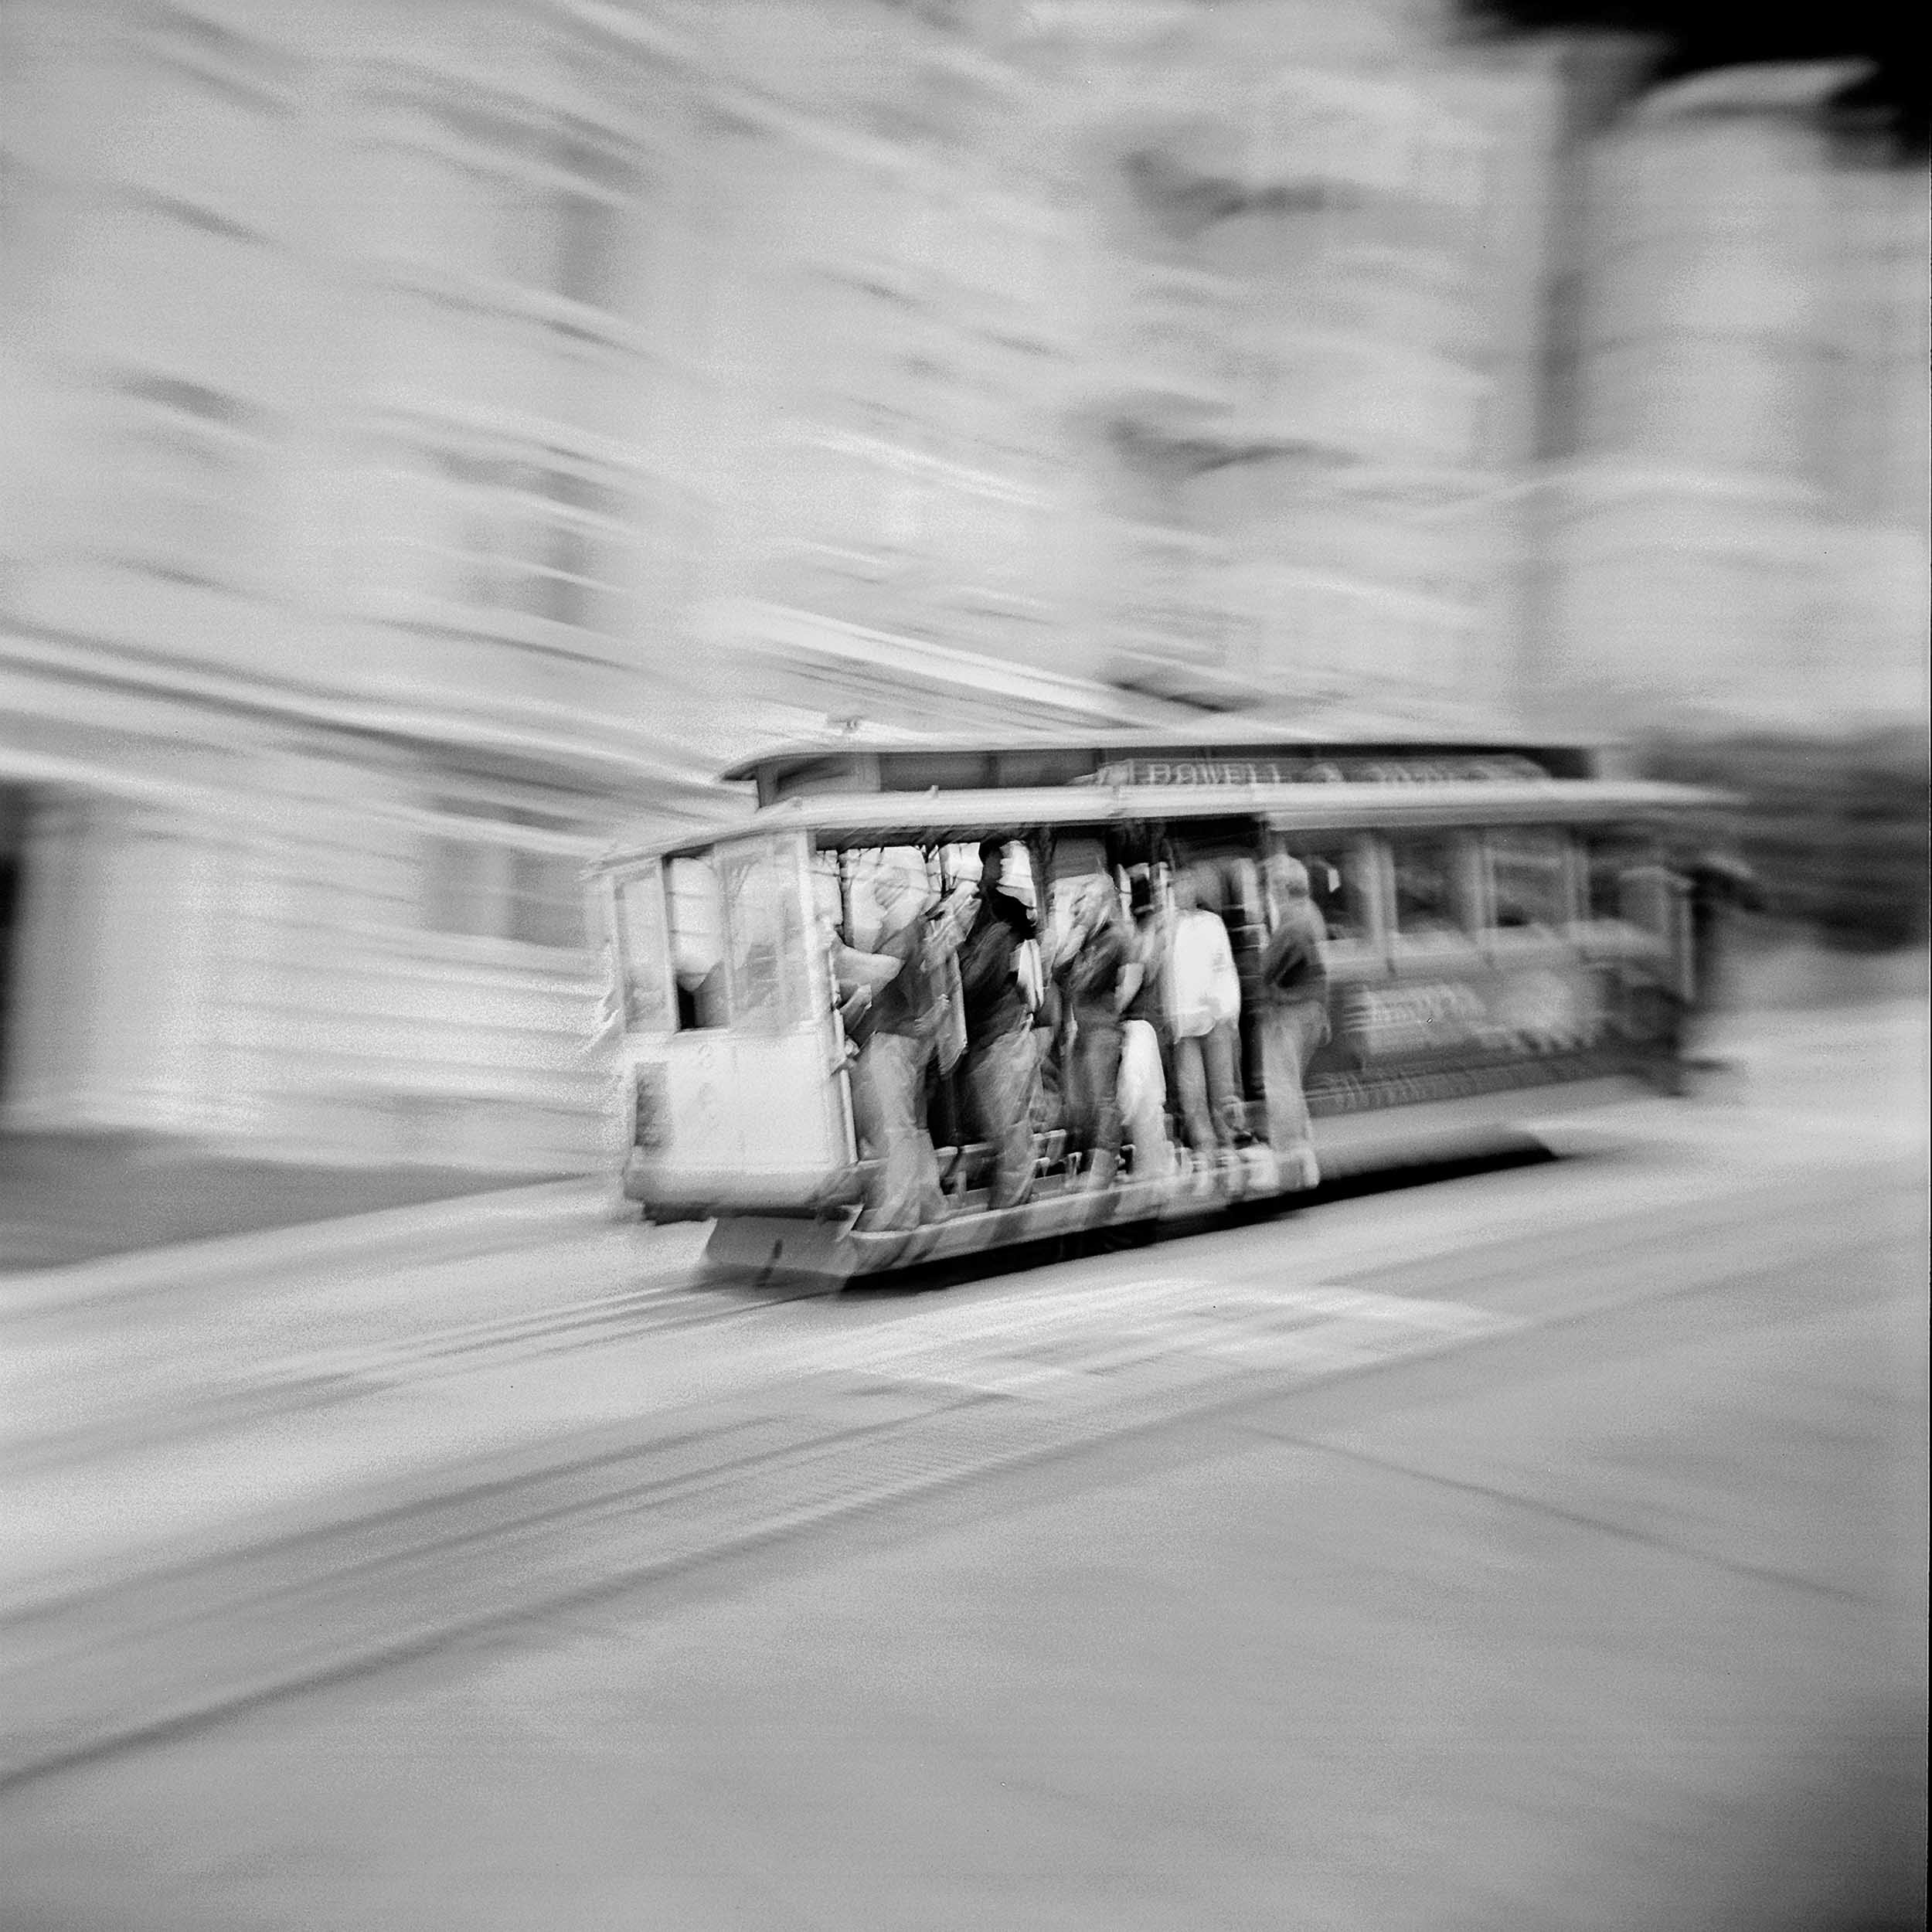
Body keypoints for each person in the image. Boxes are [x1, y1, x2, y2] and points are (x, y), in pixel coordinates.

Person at [846, 855, 947, 1232]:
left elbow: (881, 972)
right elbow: (874, 988)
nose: (877, 890)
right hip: (913, 1038)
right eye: (875, 886)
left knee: (898, 1128)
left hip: (896, 1039)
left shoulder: (901, 927)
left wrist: (837, 954)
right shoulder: (912, 924)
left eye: (884, 884)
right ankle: (931, 1205)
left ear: (901, 884)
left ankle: (902, 1210)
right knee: (915, 1127)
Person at [956, 839, 1042, 1209]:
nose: (1004, 865)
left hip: (999, 1031)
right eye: (999, 859)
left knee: (1007, 1124)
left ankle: (1015, 1203)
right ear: (985, 861)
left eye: (1006, 859)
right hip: (988, 1033)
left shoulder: (1001, 922)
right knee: (999, 1123)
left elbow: (975, 981)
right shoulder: (985, 907)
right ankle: (1012, 1198)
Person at [1257, 853, 1330, 1189]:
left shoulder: (1293, 920)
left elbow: (1269, 968)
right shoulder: (1311, 912)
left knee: (1281, 1085)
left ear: (1284, 888)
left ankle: (1291, 1160)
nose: (1268, 893)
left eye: (1271, 886)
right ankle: (1303, 1157)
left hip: (1291, 1012)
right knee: (1292, 1085)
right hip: (1309, 1009)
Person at [1165, 862, 1245, 1165]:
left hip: (1214, 1021)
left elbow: (1225, 968)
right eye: (1177, 886)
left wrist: (1227, 1010)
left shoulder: (1212, 924)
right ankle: (1204, 1147)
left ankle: (1227, 1145)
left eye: (1187, 885)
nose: (1182, 891)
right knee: (1192, 1094)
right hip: (1184, 1025)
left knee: (1223, 1090)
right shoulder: (1168, 928)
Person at [1053, 872, 1130, 1189]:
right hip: (1083, 1030)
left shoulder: (1114, 939)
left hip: (1102, 1030)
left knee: (1102, 1100)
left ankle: (1105, 1167)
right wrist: (1076, 934)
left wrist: (1077, 939)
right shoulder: (1087, 938)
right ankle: (1090, 1165)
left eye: (1087, 902)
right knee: (1081, 1103)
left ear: (1104, 904)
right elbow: (1058, 969)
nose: (1080, 909)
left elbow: (1082, 981)